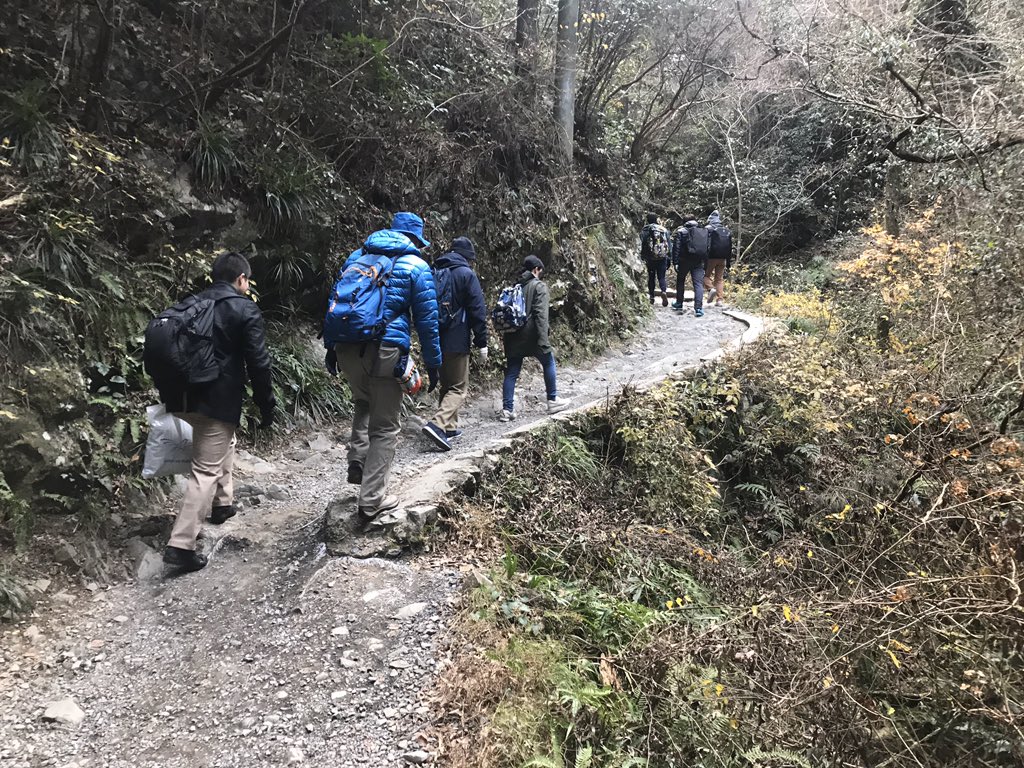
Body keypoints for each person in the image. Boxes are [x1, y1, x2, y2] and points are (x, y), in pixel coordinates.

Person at [157, 251, 276, 572]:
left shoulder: (192, 304)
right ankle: (181, 545)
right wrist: (266, 404)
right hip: (216, 400)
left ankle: (223, 503)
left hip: (181, 398)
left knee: (225, 440)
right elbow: (259, 363)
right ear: (241, 279)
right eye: (248, 281)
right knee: (205, 470)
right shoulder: (243, 308)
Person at [324, 212, 441, 520]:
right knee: (386, 426)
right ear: (415, 239)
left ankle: (358, 461)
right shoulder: (416, 265)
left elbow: (335, 301)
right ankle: (371, 501)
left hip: (347, 347)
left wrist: (331, 347)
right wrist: (434, 363)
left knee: (364, 401)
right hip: (386, 350)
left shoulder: (357, 257)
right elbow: (428, 321)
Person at [422, 237, 488, 452]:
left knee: (447, 385)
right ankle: (437, 424)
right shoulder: (466, 274)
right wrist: (481, 341)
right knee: (459, 388)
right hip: (457, 338)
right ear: (467, 257)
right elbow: (477, 309)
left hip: (435, 338)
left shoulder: (434, 271)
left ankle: (449, 428)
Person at [500, 255, 571, 422]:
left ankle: (507, 410)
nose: (540, 274)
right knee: (548, 361)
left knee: (512, 371)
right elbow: (541, 315)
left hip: (512, 335)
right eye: (540, 270)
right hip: (531, 335)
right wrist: (543, 338)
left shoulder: (516, 286)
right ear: (536, 269)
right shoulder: (539, 286)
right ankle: (552, 400)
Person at [671, 218, 709, 317]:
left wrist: (675, 262)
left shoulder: (681, 231)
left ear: (685, 222)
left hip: (684, 261)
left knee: (680, 281)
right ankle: (698, 308)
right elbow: (707, 248)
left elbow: (676, 247)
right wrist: (706, 264)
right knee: (698, 284)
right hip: (698, 261)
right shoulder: (702, 231)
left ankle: (679, 303)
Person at [639, 213, 671, 306]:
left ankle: (652, 297)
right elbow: (669, 244)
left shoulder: (645, 229)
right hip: (662, 257)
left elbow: (642, 243)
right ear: (656, 220)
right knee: (662, 277)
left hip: (650, 258)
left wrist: (643, 256)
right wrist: (669, 257)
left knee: (651, 277)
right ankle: (663, 291)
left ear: (647, 220)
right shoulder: (663, 229)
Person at [704, 210, 733, 307]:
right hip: (723, 258)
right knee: (719, 279)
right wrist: (728, 262)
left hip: (711, 257)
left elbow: (704, 244)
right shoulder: (726, 230)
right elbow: (730, 247)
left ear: (710, 219)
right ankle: (719, 300)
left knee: (704, 276)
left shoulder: (708, 229)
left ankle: (710, 289)